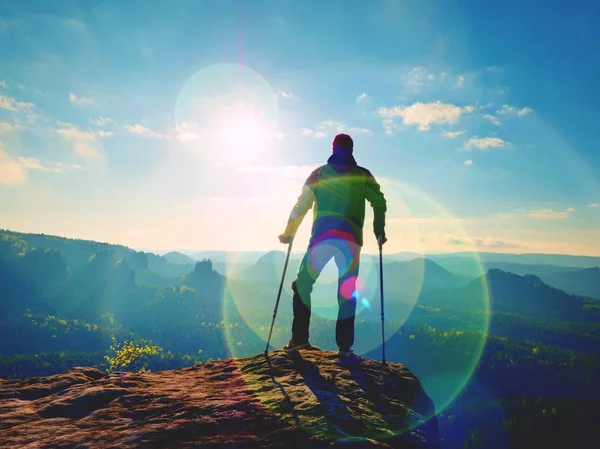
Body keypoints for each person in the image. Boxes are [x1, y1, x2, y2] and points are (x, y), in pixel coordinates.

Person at [278, 133, 387, 356]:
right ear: (352, 149)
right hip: (351, 241)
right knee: (346, 292)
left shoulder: (318, 174)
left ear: (333, 147)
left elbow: (302, 204)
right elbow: (379, 201)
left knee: (303, 284)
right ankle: (345, 349)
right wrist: (379, 230)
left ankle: (299, 339)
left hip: (322, 239)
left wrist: (289, 232)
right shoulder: (362, 175)